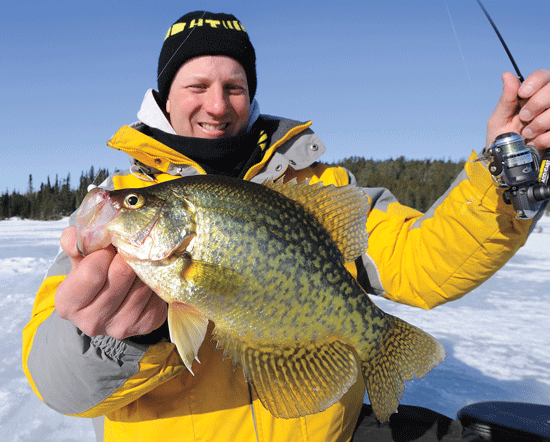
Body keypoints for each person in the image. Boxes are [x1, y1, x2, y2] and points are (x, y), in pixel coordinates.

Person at [22, 10, 550, 442]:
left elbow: (424, 260)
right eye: (196, 85)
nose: (216, 103)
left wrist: (504, 173)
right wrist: (128, 340)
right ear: (163, 96)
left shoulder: (319, 186)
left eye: (234, 85)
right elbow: (57, 383)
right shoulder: (117, 213)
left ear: (251, 95)